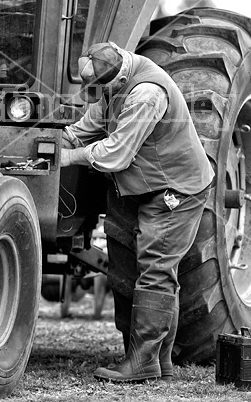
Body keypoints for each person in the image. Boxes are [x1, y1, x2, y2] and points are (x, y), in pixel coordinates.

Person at [61, 41, 214, 383]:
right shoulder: (112, 82)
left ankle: (143, 362)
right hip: (152, 186)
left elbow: (115, 154)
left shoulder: (145, 94)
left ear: (115, 80)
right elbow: (86, 127)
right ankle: (159, 360)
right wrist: (57, 142)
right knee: (150, 270)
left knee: (156, 268)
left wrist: (68, 158)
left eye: (97, 88)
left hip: (176, 188)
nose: (93, 94)